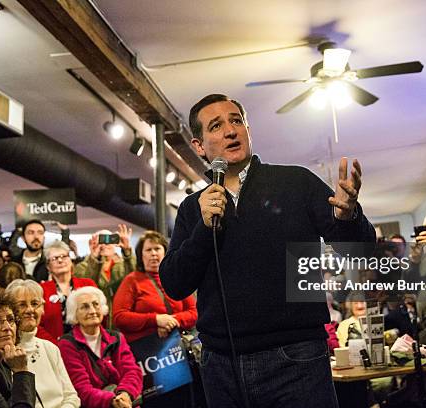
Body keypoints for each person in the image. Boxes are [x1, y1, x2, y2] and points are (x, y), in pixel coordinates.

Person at [159, 94, 375, 407]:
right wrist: (204, 229)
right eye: (217, 126)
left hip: (297, 357)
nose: (231, 131)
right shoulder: (194, 208)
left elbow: (361, 252)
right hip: (222, 365)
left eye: (236, 121)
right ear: (199, 146)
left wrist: (348, 216)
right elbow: (175, 284)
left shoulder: (295, 182)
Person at [113, 230, 198, 408]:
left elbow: (194, 312)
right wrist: (155, 320)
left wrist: (171, 320)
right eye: (148, 250)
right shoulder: (132, 281)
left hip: (179, 355)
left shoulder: (175, 277)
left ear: (165, 252)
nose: (153, 254)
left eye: (157, 248)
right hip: (149, 360)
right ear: (140, 255)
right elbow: (120, 317)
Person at [58, 287, 143, 408]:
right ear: (74, 314)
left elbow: (131, 371)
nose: (92, 311)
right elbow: (81, 389)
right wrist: (112, 401)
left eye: (96, 304)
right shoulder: (67, 344)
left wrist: (124, 394)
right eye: (85, 307)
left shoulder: (116, 337)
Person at [6, 279, 80, 408]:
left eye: (35, 303)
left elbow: (71, 396)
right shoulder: (5, 353)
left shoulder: (50, 348)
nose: (30, 310)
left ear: (43, 309)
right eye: (22, 305)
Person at [75, 225, 136, 329]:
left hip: (121, 319)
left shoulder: (123, 265)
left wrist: (127, 251)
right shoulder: (83, 267)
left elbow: (134, 277)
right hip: (95, 321)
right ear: (93, 244)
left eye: (109, 240)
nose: (105, 244)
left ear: (115, 243)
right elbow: (87, 287)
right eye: (101, 241)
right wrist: (94, 259)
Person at [39, 241, 96, 344]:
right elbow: (37, 325)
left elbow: (99, 315)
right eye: (55, 258)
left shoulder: (87, 284)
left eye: (64, 256)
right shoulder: (41, 290)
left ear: (71, 260)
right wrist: (55, 346)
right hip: (54, 346)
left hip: (87, 344)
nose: (60, 260)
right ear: (48, 266)